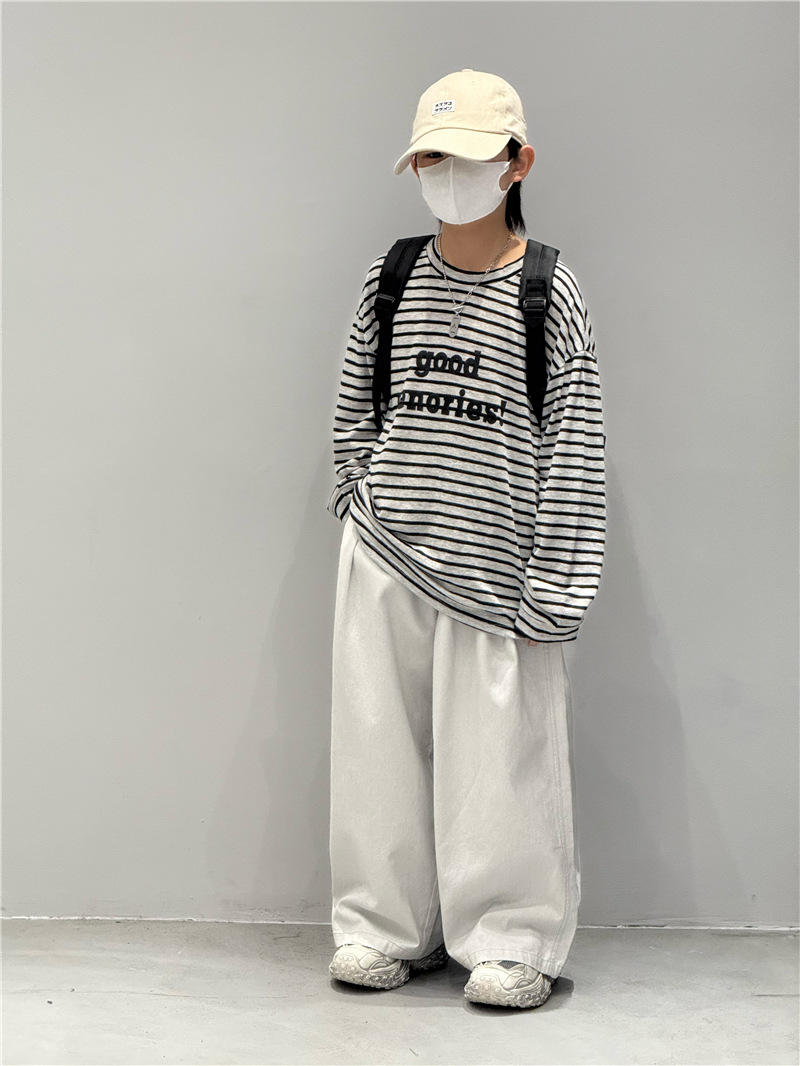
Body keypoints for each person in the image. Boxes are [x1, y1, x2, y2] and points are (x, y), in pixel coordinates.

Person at [325, 69, 607, 1010]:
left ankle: (513, 937)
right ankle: (381, 926)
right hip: (386, 556)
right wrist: (358, 501)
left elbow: (575, 443)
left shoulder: (547, 289)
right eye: (432, 158)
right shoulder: (392, 276)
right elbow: (354, 408)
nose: (448, 175)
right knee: (375, 749)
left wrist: (555, 585)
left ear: (517, 164)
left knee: (504, 761)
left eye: (469, 157)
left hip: (498, 568)